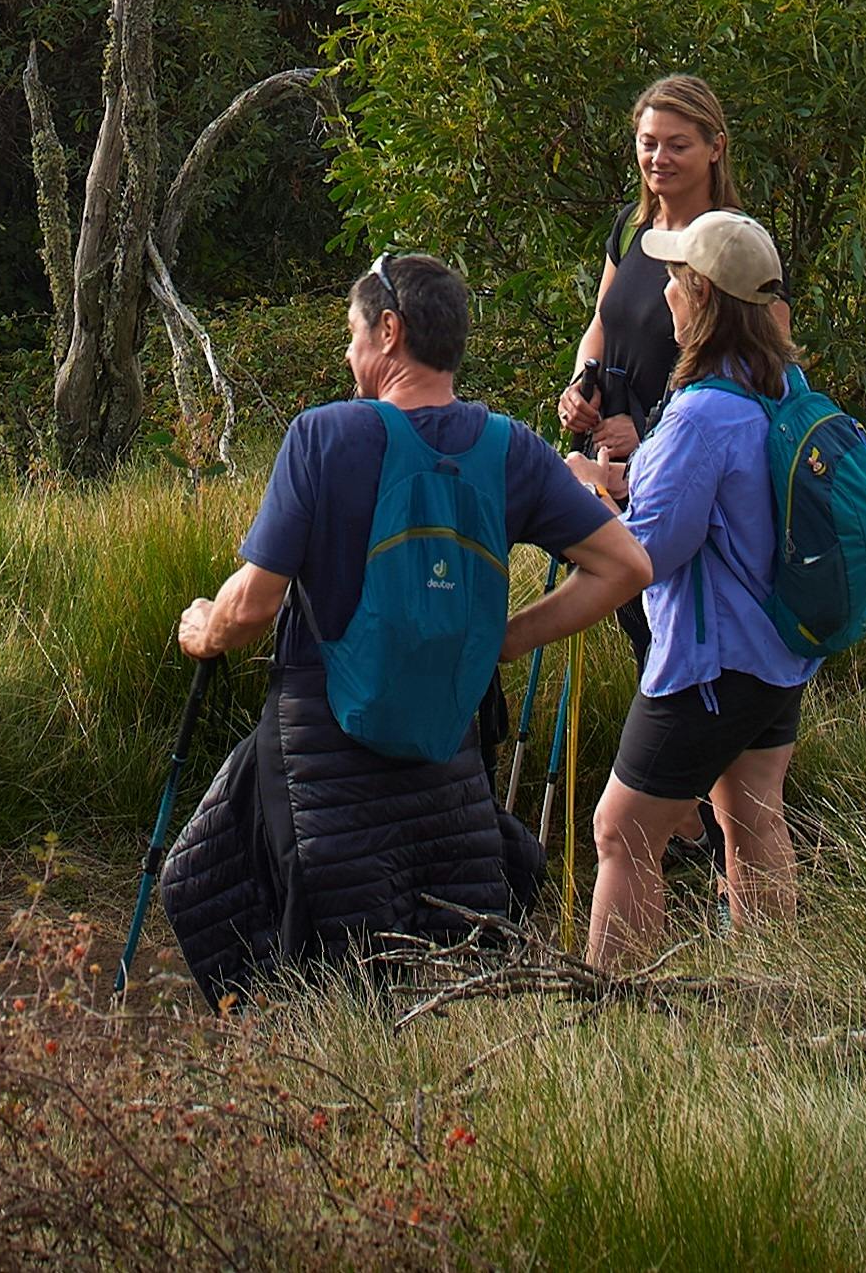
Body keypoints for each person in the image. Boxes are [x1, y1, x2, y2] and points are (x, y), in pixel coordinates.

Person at [151, 252, 645, 996]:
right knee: (436, 935)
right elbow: (625, 566)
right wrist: (503, 641)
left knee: (203, 880)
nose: (349, 353)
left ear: (389, 330)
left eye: (353, 333)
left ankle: (299, 1067)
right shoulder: (511, 447)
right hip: (448, 748)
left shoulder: (325, 437)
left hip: (323, 742)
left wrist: (203, 628)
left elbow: (251, 605)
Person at [590, 207, 812, 970]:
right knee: (753, 817)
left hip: (708, 663)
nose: (666, 295)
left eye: (676, 279)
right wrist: (624, 479)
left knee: (621, 831)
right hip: (780, 650)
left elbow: (647, 552)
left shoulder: (698, 415)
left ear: (698, 297)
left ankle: (610, 1018)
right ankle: (770, 991)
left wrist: (595, 500)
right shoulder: (782, 384)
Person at [557, 76, 738, 482]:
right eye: (648, 143)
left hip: (680, 471)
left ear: (715, 148)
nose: (660, 158)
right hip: (601, 461)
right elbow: (601, 323)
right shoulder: (630, 226)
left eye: (678, 146)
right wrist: (577, 391)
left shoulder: (733, 243)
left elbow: (756, 373)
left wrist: (649, 431)